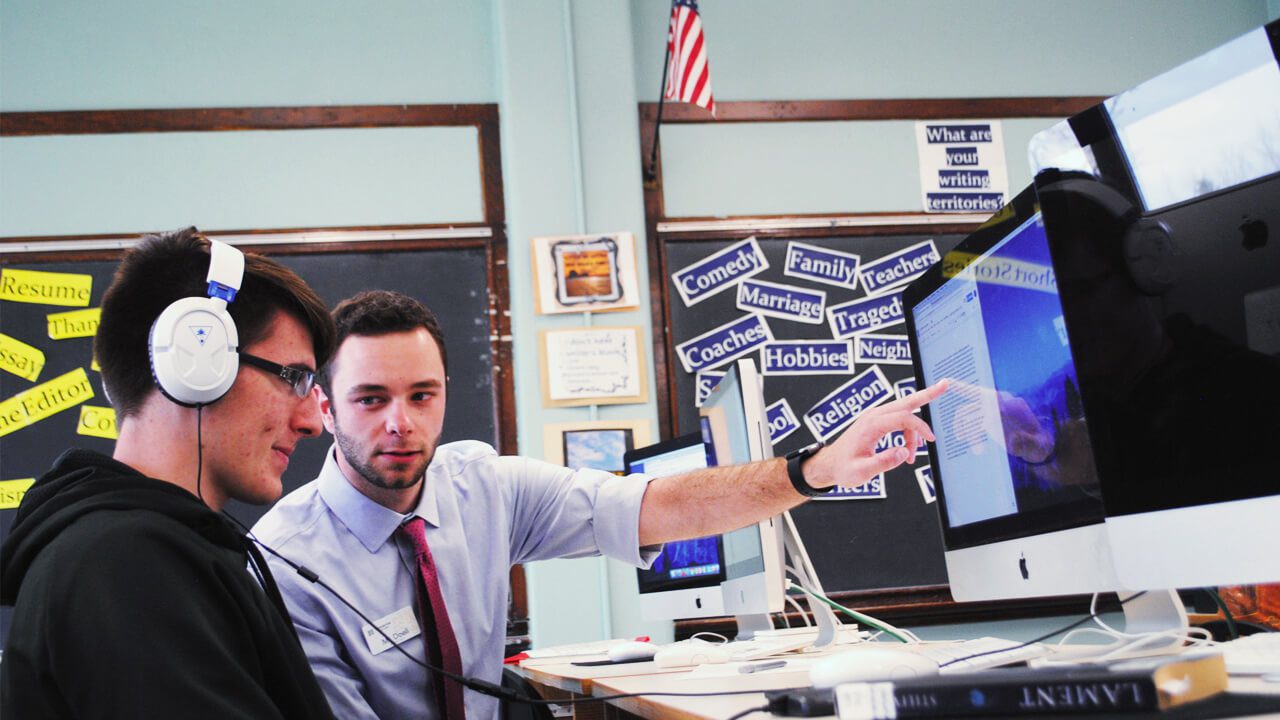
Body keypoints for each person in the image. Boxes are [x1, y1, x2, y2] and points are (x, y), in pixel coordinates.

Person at [252, 290, 948, 720]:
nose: (400, 423)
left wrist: (816, 467)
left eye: (421, 395)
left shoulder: (483, 486)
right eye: (371, 399)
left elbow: (661, 506)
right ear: (322, 403)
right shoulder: (286, 556)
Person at [0, 228, 338, 718]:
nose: (311, 421)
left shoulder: (147, 551)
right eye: (295, 378)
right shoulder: (125, 568)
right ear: (198, 362)